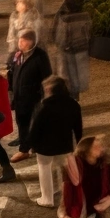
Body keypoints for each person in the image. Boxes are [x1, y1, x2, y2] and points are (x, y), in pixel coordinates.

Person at [29, 76, 83, 209]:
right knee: (67, 171)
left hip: (44, 147)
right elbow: (78, 127)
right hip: (65, 145)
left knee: (44, 168)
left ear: (49, 89)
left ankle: (47, 198)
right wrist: (78, 143)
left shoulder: (43, 106)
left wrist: (31, 145)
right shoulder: (73, 104)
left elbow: (35, 128)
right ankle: (72, 196)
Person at [8, 29, 52, 164]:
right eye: (19, 40)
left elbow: (47, 77)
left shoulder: (40, 56)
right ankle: (27, 145)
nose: (19, 43)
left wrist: (46, 96)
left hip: (33, 97)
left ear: (31, 41)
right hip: (19, 96)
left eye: (22, 40)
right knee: (21, 122)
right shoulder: (18, 55)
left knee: (32, 122)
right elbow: (12, 70)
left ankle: (25, 149)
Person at [62, 136, 110, 218]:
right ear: (86, 149)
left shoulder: (105, 165)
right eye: (96, 147)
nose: (101, 148)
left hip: (98, 207)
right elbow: (67, 192)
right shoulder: (75, 167)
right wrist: (67, 214)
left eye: (101, 146)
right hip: (80, 210)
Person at [51, 0, 92, 99]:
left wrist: (58, 43)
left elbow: (57, 30)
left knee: (68, 73)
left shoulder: (62, 14)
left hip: (67, 48)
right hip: (80, 46)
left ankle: (71, 95)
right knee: (77, 74)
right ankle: (75, 95)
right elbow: (89, 29)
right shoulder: (84, 14)